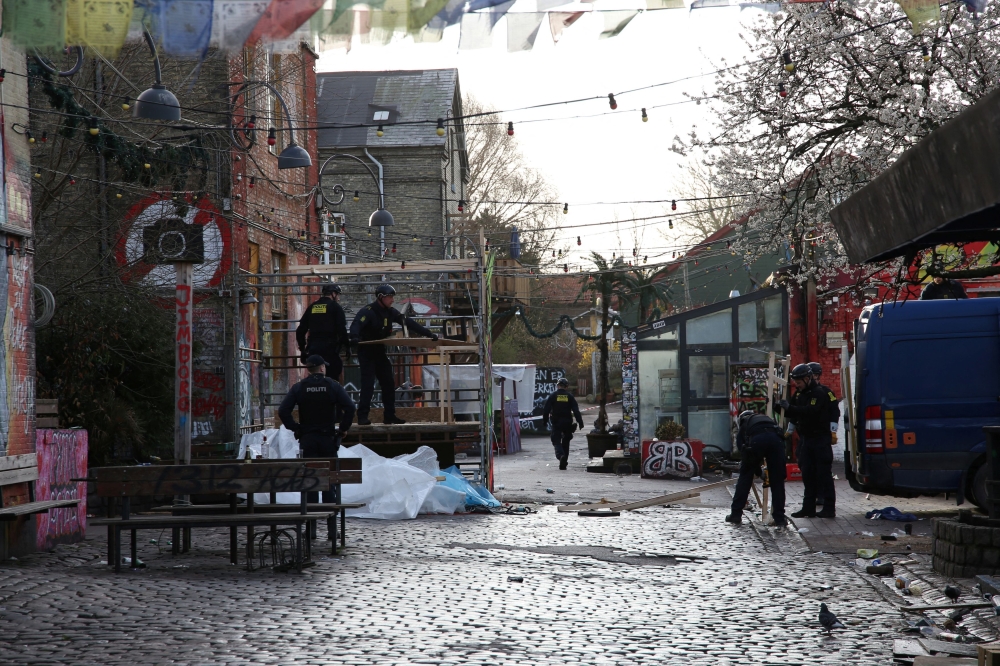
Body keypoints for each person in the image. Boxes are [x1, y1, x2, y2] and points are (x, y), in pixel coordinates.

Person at [348, 284, 438, 425]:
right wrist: (354, 336)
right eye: (390, 297)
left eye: (393, 297)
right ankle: (362, 416)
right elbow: (356, 324)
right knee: (368, 385)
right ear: (381, 297)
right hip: (366, 352)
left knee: (388, 384)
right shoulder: (369, 311)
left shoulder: (390, 312)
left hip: (379, 351)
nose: (392, 300)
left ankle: (389, 416)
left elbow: (408, 322)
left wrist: (428, 334)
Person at [277, 355, 356, 502]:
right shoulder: (332, 385)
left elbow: (283, 411)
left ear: (308, 370)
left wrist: (295, 428)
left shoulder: (299, 387)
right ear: (321, 368)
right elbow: (350, 408)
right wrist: (343, 429)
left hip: (307, 439)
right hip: (328, 439)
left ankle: (311, 516)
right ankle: (330, 515)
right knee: (329, 478)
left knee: (310, 479)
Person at [778, 363, 836, 518]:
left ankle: (829, 508)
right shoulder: (799, 394)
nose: (796, 385)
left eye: (799, 381)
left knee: (824, 474)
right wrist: (779, 406)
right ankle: (808, 507)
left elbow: (809, 412)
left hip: (820, 439)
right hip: (806, 439)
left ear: (807, 378)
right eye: (795, 382)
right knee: (807, 474)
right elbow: (793, 412)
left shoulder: (819, 393)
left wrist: (789, 408)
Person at [726, 410, 787, 527]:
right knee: (777, 481)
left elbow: (743, 451)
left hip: (757, 440)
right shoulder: (766, 419)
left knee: (745, 477)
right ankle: (779, 518)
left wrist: (756, 471)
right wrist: (759, 471)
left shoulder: (745, 424)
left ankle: (736, 514)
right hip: (776, 441)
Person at [296, 283, 348, 380]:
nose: (339, 298)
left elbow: (300, 330)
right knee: (332, 379)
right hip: (330, 350)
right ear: (333, 294)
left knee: (315, 378)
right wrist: (346, 347)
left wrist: (303, 349)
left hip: (314, 350)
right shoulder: (336, 307)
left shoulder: (312, 307)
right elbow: (342, 330)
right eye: (338, 295)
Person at [807, 361, 841, 509]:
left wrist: (833, 427)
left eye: (814, 375)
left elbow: (835, 409)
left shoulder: (826, 392)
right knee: (808, 467)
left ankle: (822, 496)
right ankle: (812, 495)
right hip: (807, 435)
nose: (812, 378)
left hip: (821, 435)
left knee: (822, 468)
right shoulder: (803, 393)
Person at [541, 377, 585, 470]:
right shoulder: (570, 396)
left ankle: (561, 456)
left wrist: (544, 421)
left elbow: (546, 410)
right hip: (567, 423)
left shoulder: (553, 396)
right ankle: (563, 462)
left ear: (558, 386)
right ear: (567, 386)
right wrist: (580, 422)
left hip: (556, 423)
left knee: (556, 441)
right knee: (566, 442)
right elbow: (576, 410)